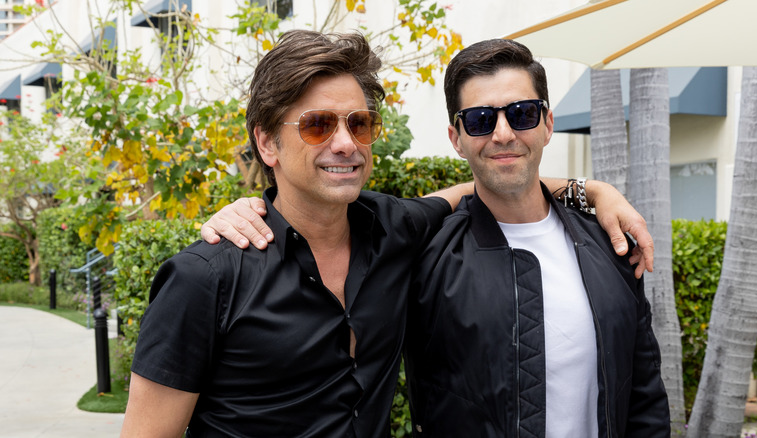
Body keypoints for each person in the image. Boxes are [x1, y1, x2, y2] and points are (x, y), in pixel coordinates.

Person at [127, 31, 653, 437]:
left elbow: (486, 181)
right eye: (316, 125)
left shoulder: (394, 231)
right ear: (267, 143)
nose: (344, 143)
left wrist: (593, 191)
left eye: (359, 124)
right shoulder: (205, 276)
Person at [403, 39, 670, 437]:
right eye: (480, 120)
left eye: (522, 114)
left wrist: (594, 192)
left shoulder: (610, 246)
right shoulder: (425, 256)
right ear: (456, 138)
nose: (503, 134)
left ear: (547, 124)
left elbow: (644, 397)